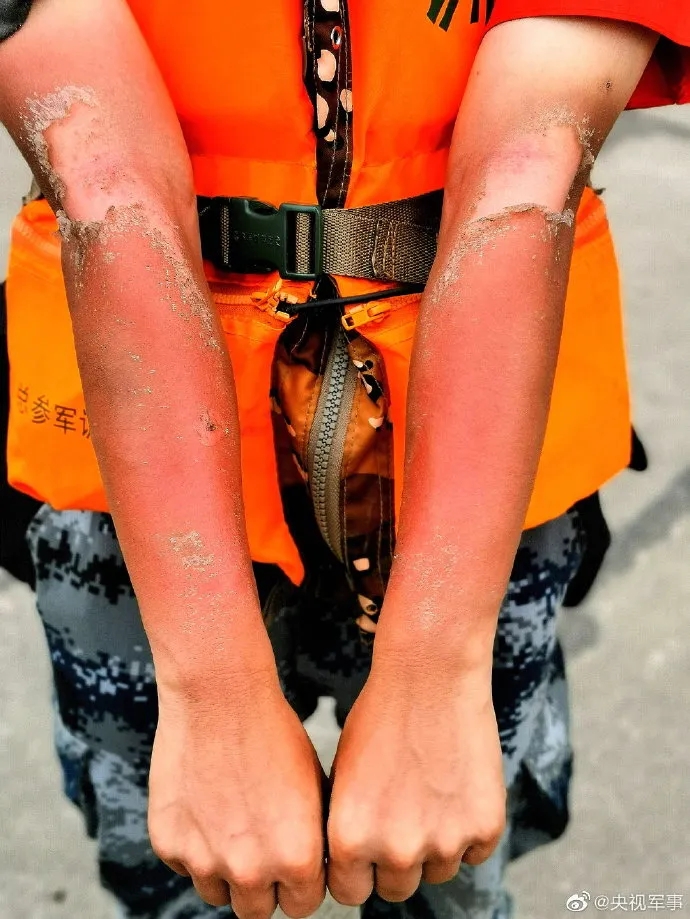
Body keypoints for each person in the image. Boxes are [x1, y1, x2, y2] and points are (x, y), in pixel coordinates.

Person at [0, 2, 687, 919]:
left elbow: (531, 164)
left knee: (430, 855)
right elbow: (103, 183)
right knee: (205, 863)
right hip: (139, 489)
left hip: (472, 477)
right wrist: (213, 689)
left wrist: (435, 667)